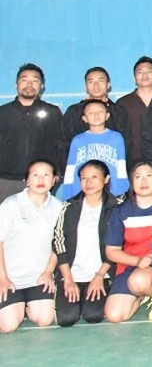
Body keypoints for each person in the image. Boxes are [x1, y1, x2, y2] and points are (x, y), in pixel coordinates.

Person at [52, 160, 118, 327]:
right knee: (67, 319)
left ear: (106, 179)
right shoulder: (69, 206)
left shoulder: (116, 207)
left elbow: (118, 244)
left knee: (93, 315)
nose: (88, 182)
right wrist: (68, 279)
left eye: (94, 177)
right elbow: (59, 242)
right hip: (72, 274)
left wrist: (100, 276)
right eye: (83, 178)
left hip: (101, 274)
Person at [0, 160, 61, 333]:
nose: (41, 179)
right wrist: (2, 278)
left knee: (44, 320)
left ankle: (25, 306)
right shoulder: (11, 205)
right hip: (10, 278)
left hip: (38, 279)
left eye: (46, 175)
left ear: (54, 180)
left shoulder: (59, 207)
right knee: (8, 326)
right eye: (35, 175)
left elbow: (58, 244)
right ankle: (16, 307)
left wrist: (48, 272)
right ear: (26, 180)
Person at [104, 162, 152, 323]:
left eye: (149, 175)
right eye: (138, 177)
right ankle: (144, 293)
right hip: (132, 266)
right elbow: (111, 251)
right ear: (132, 182)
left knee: (139, 280)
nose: (143, 181)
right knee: (114, 316)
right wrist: (138, 261)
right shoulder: (121, 212)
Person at [0, 64, 65, 202]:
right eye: (24, 80)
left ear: (42, 86)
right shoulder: (3, 113)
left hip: (41, 179)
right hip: (5, 180)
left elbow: (60, 145)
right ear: (16, 85)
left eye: (35, 80)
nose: (29, 84)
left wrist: (58, 173)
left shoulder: (52, 112)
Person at [60, 98, 128, 199]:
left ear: (107, 115)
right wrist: (69, 193)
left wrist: (122, 192)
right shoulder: (78, 140)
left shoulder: (116, 138)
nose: (96, 115)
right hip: (82, 193)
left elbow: (121, 167)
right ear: (84, 118)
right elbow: (70, 169)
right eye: (91, 113)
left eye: (100, 112)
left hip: (111, 193)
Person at [61, 66, 130, 149]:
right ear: (85, 87)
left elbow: (126, 143)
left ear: (108, 85)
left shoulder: (118, 112)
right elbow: (64, 143)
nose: (96, 85)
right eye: (91, 81)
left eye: (101, 81)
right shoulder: (74, 112)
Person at [118, 56, 152, 168]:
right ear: (134, 78)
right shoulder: (122, 103)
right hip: (132, 162)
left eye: (149, 71)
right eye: (140, 72)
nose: (145, 76)